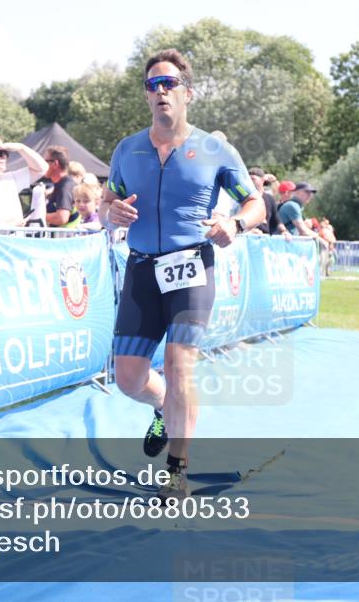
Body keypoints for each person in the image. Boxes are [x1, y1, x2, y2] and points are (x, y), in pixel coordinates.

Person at [100, 49, 265, 500]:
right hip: (140, 272)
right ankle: (160, 407)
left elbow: (256, 204)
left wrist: (235, 223)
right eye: (153, 85)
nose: (161, 92)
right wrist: (109, 211)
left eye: (169, 84)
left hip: (191, 269)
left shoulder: (214, 149)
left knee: (178, 366)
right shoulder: (127, 149)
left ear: (187, 93)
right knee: (129, 378)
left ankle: (177, 470)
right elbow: (104, 203)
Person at [44, 146, 80, 228]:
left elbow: (62, 218)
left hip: (65, 239)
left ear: (55, 164)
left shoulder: (65, 187)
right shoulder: (62, 184)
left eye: (45, 162)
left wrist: (40, 215)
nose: (41, 165)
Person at [248, 166, 285, 235]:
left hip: (265, 238)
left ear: (262, 180)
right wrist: (249, 231)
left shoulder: (269, 198)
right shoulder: (244, 197)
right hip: (248, 237)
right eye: (248, 179)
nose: (250, 181)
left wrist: (284, 231)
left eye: (253, 179)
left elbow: (276, 220)